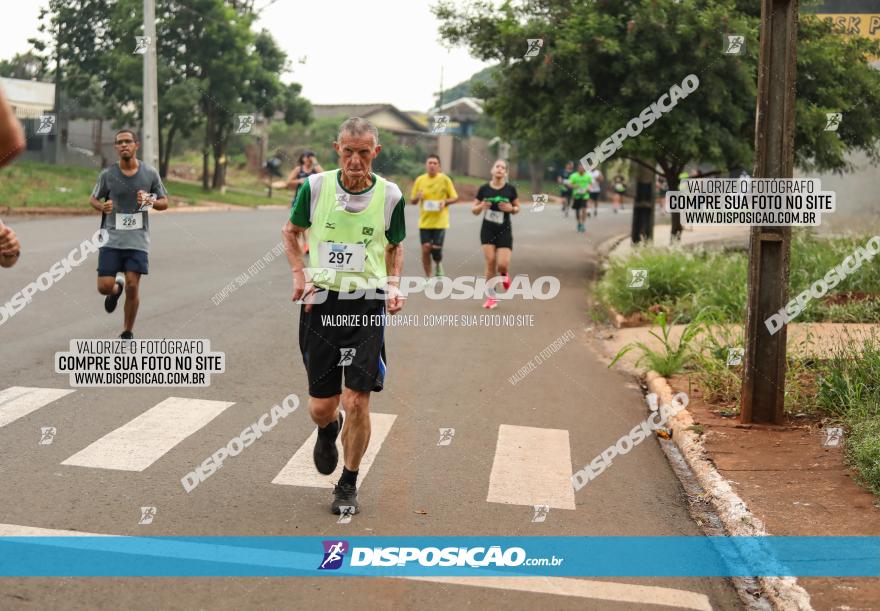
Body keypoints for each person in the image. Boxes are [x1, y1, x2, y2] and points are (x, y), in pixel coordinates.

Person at [282, 117, 405, 515]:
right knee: (323, 405)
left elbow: (394, 246)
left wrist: (395, 284)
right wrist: (300, 274)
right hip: (321, 304)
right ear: (338, 149)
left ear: (376, 152)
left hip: (366, 304)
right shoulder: (315, 188)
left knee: (357, 400)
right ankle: (325, 428)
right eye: (348, 151)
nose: (355, 160)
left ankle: (348, 482)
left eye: (363, 152)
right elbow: (291, 231)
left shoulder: (390, 196)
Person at [89, 129, 168, 339]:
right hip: (112, 238)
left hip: (137, 240)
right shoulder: (108, 175)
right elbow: (94, 199)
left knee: (133, 285)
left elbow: (165, 202)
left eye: (128, 141)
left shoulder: (150, 173)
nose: (124, 145)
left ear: (136, 145)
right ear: (116, 148)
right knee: (104, 288)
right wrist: (101, 207)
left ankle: (127, 331)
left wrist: (149, 201)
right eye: (119, 142)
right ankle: (116, 289)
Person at [472, 159, 519, 309]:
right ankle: (491, 297)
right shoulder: (484, 189)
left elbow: (517, 208)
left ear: (505, 173)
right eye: (497, 166)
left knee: (502, 265)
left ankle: (504, 274)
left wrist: (511, 209)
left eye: (503, 168)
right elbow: (474, 210)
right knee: (490, 261)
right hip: (487, 230)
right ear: (492, 170)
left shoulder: (510, 189)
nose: (500, 169)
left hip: (504, 230)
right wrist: (481, 206)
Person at [410, 154, 458, 278]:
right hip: (425, 222)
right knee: (426, 249)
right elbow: (412, 201)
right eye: (430, 163)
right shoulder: (420, 180)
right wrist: (417, 197)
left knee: (436, 249)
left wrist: (445, 202)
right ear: (426, 165)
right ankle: (429, 276)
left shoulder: (445, 179)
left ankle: (438, 263)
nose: (432, 165)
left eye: (435, 163)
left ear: (439, 166)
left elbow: (455, 197)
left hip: (440, 221)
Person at [286, 151, 323, 254]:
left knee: (312, 223)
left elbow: (324, 175)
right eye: (306, 157)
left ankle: (308, 244)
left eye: (310, 157)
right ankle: (303, 245)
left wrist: (315, 162)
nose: (308, 159)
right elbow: (288, 181)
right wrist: (299, 181)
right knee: (299, 223)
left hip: (314, 200)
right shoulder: (299, 169)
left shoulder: (315, 169)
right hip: (300, 199)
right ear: (302, 158)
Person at [566, 163, 592, 233]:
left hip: (585, 196)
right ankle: (579, 223)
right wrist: (574, 186)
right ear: (578, 169)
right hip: (576, 195)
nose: (581, 169)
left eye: (583, 168)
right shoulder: (574, 176)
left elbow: (590, 184)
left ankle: (583, 224)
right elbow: (569, 184)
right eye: (580, 168)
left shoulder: (588, 176)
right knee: (577, 212)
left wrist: (588, 189)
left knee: (584, 210)